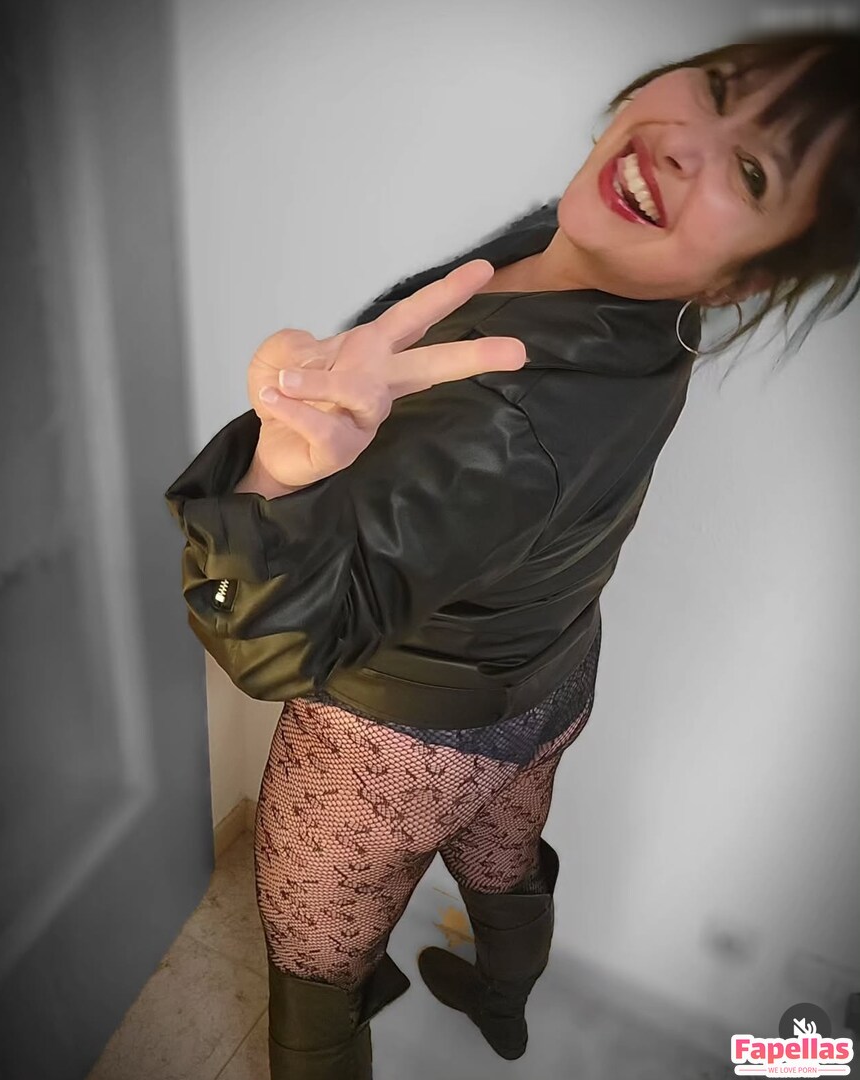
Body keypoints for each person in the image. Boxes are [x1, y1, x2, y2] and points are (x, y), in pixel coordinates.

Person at [165, 28, 859, 1080]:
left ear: (743, 280)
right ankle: (502, 1006)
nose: (684, 144)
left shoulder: (504, 419)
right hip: (548, 676)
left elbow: (266, 650)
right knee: (502, 854)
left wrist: (275, 474)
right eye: (720, 87)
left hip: (397, 739)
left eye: (754, 172)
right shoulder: (638, 299)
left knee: (312, 962)